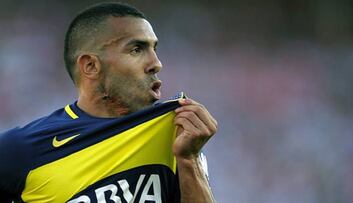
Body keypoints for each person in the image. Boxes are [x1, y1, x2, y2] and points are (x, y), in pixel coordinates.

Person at [0, 2, 217, 203]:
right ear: (91, 66)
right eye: (136, 50)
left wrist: (190, 160)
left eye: (154, 49)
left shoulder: (174, 135)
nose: (156, 63)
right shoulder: (22, 148)